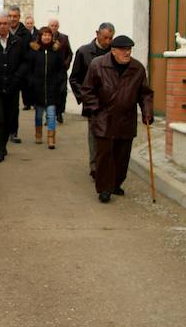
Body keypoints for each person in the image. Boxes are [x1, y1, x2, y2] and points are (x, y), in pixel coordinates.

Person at [80, 35, 154, 203]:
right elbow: (87, 90)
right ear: (113, 51)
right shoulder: (98, 65)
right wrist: (96, 109)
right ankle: (104, 189)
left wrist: (147, 112)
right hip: (104, 117)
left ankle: (116, 183)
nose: (127, 52)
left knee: (122, 156)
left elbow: (145, 94)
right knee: (104, 155)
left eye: (129, 49)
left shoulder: (137, 68)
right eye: (123, 50)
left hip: (126, 119)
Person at [69, 22, 115, 179]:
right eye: (105, 38)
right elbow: (74, 78)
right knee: (94, 134)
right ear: (97, 34)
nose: (108, 41)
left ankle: (108, 164)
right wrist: (84, 97)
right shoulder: (83, 52)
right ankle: (95, 166)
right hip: (93, 103)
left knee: (111, 135)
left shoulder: (115, 52)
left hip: (112, 102)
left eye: (111, 38)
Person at [0, 12, 29, 162]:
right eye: (0, 24)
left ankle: (2, 144)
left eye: (5, 24)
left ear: (9, 25)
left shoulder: (18, 42)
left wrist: (16, 78)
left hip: (12, 88)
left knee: (9, 119)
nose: (3, 26)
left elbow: (25, 62)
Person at [26, 27, 67, 149]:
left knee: (51, 114)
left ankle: (51, 138)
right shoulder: (34, 51)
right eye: (44, 35)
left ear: (52, 37)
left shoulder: (56, 51)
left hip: (52, 89)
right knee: (39, 114)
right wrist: (31, 81)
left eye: (49, 35)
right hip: (37, 88)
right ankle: (38, 133)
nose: (46, 37)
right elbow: (29, 69)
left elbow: (61, 69)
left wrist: (58, 81)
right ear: (40, 36)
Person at [8, 6, 33, 118]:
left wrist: (21, 73)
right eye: (10, 16)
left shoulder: (26, 34)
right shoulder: (3, 30)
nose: (12, 19)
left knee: (13, 105)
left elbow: (28, 55)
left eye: (15, 16)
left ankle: (13, 131)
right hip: (3, 73)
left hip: (19, 74)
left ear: (19, 17)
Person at [48, 18, 73, 123]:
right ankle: (50, 115)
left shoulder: (64, 38)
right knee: (50, 93)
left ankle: (60, 112)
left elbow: (70, 53)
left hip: (61, 71)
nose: (53, 27)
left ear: (58, 27)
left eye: (55, 25)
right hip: (49, 70)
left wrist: (66, 64)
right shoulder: (45, 37)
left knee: (62, 92)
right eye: (52, 25)